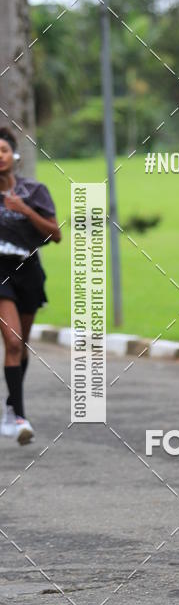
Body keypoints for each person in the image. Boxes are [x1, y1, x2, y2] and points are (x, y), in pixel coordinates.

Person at [0, 127, 62, 444]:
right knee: (11, 342)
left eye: (3, 150)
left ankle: (12, 407)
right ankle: (20, 418)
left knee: (20, 344)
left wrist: (25, 211)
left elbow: (55, 234)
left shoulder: (34, 191)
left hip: (28, 270)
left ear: (14, 156)